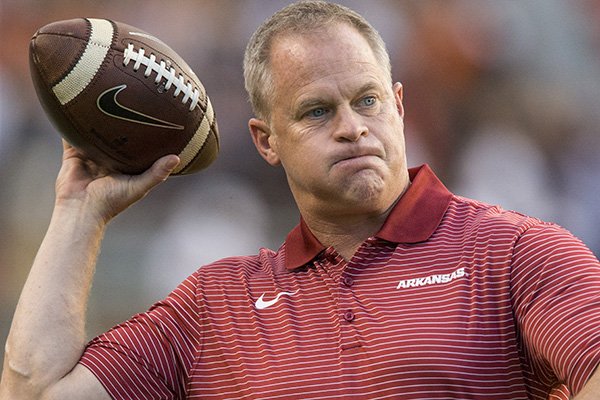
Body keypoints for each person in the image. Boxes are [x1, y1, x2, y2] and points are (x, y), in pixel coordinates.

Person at [2, 1, 600, 399]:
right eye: (318, 111)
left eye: (367, 101)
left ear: (398, 105)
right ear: (267, 141)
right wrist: (78, 211)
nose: (352, 127)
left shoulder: (517, 252)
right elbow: (32, 392)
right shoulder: (216, 304)